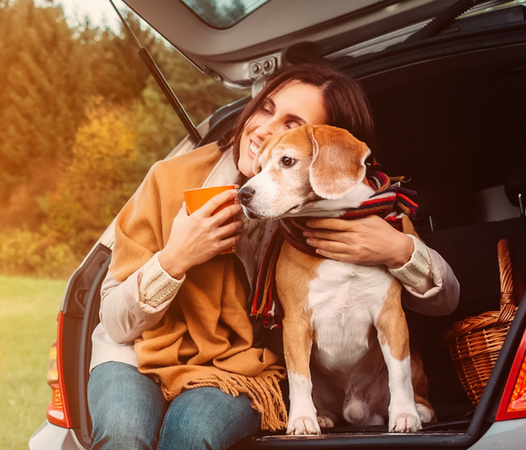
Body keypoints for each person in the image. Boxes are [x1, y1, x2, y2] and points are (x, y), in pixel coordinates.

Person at [86, 64, 460, 450]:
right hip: (139, 352)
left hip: (243, 366)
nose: (265, 129)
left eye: (290, 125)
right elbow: (114, 322)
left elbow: (445, 301)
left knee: (192, 432)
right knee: (122, 433)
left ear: (325, 155)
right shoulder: (167, 178)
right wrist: (176, 258)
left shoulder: (364, 211)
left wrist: (399, 251)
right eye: (266, 109)